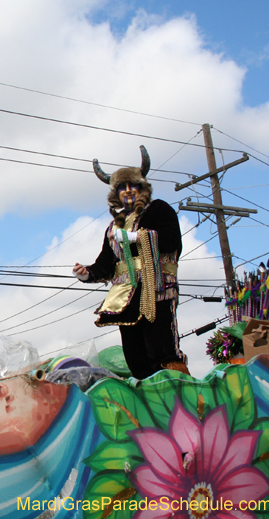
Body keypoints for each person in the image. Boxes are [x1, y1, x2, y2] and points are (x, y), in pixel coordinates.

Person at [73, 146, 189, 379]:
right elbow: (105, 264)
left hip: (156, 291)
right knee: (135, 357)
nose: (127, 192)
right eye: (121, 188)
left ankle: (179, 397)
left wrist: (138, 237)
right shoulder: (113, 227)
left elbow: (171, 241)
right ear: (115, 195)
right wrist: (87, 273)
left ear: (142, 189)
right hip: (125, 296)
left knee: (162, 351)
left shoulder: (159, 210)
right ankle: (147, 402)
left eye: (132, 186)